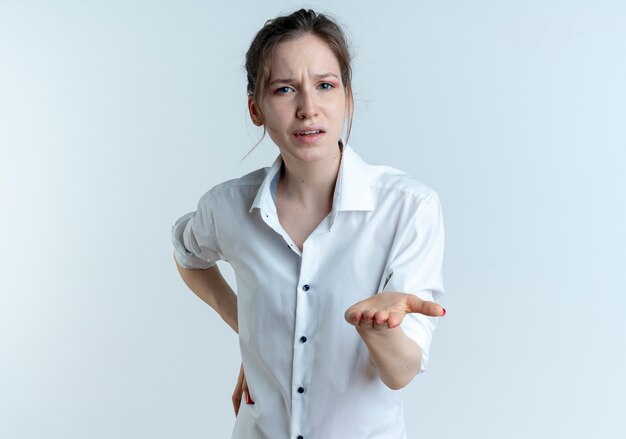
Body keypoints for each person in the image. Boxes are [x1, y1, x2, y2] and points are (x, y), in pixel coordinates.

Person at [171, 8, 446, 439]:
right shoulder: (226, 208)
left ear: (347, 99)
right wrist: (252, 333)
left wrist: (378, 330)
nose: (308, 108)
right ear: (255, 109)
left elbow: (400, 373)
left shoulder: (408, 208)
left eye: (324, 85)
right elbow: (188, 254)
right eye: (284, 89)